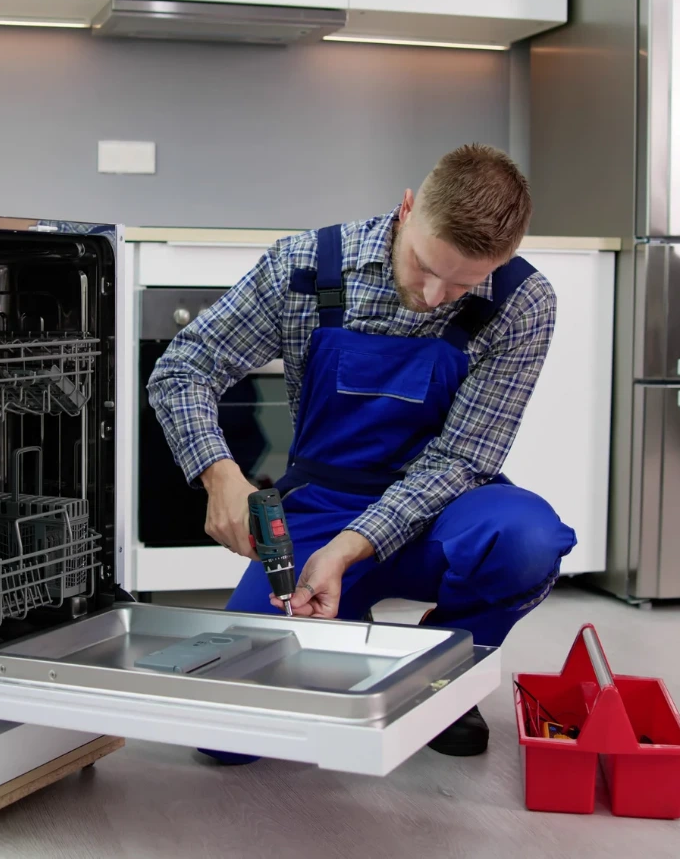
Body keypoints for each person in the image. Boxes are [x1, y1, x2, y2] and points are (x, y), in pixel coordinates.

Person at [146, 143, 577, 760]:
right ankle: (345, 642)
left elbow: (459, 461)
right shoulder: (302, 265)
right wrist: (221, 476)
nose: (434, 295)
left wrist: (350, 550)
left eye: (464, 283)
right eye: (426, 266)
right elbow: (183, 368)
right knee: (226, 743)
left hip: (441, 510)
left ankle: (443, 665)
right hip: (320, 508)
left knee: (526, 542)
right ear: (405, 210)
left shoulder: (523, 302)